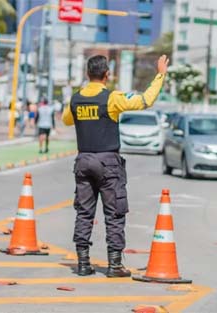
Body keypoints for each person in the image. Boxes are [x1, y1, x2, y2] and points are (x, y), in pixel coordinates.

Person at [62, 54, 169, 277]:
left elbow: (66, 120)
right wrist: (160, 75)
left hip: (83, 160)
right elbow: (145, 100)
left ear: (86, 73)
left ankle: (82, 263)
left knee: (84, 212)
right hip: (108, 162)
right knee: (114, 213)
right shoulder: (112, 98)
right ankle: (115, 265)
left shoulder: (75, 99)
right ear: (107, 74)